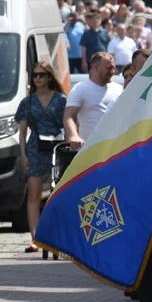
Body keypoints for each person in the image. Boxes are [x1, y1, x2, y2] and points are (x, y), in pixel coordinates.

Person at [14, 60, 67, 254]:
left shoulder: (61, 100)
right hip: (35, 147)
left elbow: (68, 124)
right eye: (35, 75)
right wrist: (23, 154)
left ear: (49, 77)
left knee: (56, 193)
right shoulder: (28, 102)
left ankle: (55, 236)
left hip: (56, 147)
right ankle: (35, 238)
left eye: (41, 75)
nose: (37, 78)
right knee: (34, 194)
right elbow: (22, 132)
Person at [63, 52, 122, 150]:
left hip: (114, 148)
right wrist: (73, 135)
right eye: (109, 68)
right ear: (96, 68)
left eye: (113, 68)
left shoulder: (119, 89)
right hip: (89, 148)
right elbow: (69, 116)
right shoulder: (80, 89)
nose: (113, 71)